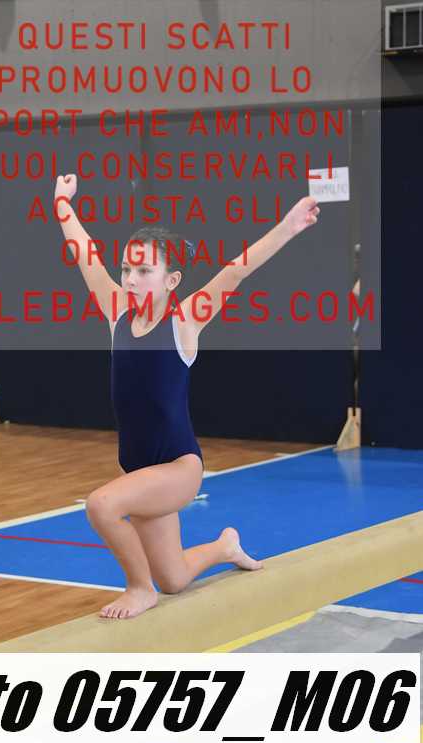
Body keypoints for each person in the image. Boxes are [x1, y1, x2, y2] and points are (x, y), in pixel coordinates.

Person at [55, 173, 320, 619]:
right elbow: (85, 254)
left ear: (172, 279)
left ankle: (139, 589)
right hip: (139, 469)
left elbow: (236, 270)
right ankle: (224, 547)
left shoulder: (184, 322)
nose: (130, 279)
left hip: (178, 468)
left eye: (144, 271)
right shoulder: (117, 312)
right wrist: (63, 204)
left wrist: (289, 226)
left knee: (101, 505)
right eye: (126, 270)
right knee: (175, 579)